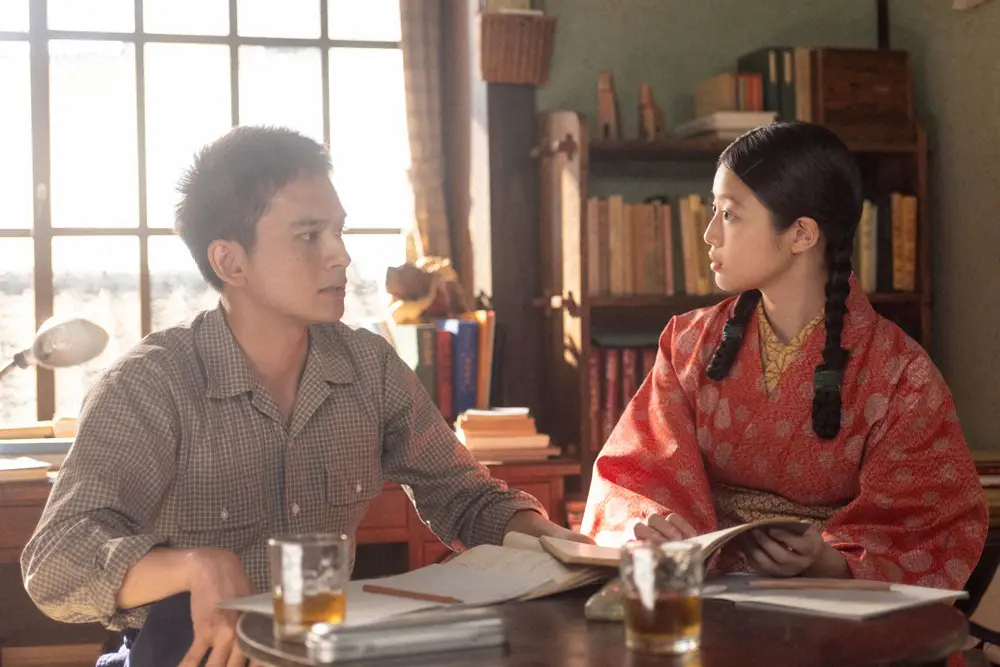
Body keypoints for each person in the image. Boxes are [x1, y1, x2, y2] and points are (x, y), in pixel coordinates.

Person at [21, 126, 589, 667]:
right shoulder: (149, 385)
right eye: (309, 236)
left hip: (324, 649)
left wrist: (567, 546)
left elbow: (467, 498)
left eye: (339, 231)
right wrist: (194, 566)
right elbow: (54, 562)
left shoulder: (370, 368)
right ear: (229, 261)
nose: (341, 255)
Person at [582, 122, 988, 587]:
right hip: (705, 591)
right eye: (713, 210)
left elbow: (926, 525)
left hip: (830, 602)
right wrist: (654, 532)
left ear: (801, 234)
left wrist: (830, 561)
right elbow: (634, 477)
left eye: (730, 214)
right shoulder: (688, 344)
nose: (710, 234)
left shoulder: (901, 373)